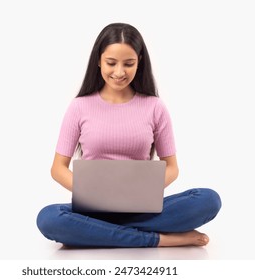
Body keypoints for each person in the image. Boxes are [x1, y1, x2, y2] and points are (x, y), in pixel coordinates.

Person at [36, 22, 221, 248]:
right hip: (94, 210)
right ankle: (158, 239)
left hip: (141, 210)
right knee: (49, 218)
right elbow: (58, 168)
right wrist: (92, 194)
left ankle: (99, 234)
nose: (119, 72)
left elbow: (172, 167)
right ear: (98, 61)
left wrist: (143, 192)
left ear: (139, 62)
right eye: (111, 63)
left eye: (129, 64)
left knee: (208, 200)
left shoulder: (155, 107)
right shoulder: (79, 107)